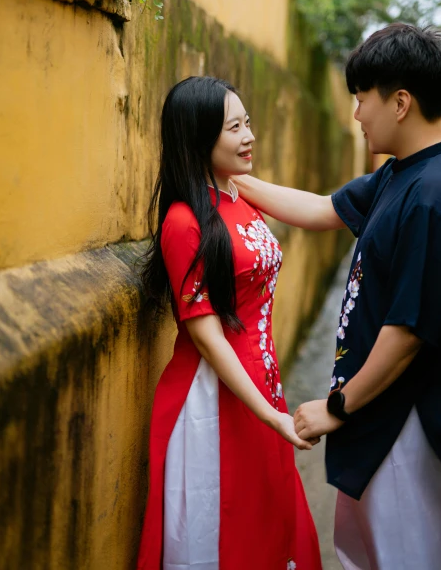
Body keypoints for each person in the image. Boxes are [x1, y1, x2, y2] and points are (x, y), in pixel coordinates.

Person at [233, 23, 441, 570]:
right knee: (367, 554)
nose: (358, 114)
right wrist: (229, 178)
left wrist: (335, 409)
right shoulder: (405, 173)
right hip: (385, 410)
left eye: (362, 99)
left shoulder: (436, 194)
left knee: (402, 557)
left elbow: (408, 333)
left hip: (406, 419)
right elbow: (322, 208)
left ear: (401, 102)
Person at [136, 76, 322, 570]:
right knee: (219, 538)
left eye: (248, 122)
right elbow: (206, 334)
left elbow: (320, 210)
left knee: (268, 525)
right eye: (234, 127)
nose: (249, 136)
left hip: (260, 387)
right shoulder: (183, 221)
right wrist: (269, 414)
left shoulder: (239, 193)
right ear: (199, 138)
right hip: (211, 402)